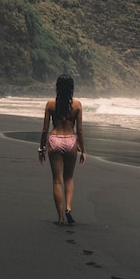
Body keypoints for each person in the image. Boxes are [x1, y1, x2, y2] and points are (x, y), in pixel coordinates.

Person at [38, 75, 86, 225]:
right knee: (69, 178)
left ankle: (59, 218)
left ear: (57, 87)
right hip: (71, 141)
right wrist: (83, 150)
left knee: (57, 181)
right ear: (72, 88)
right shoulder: (77, 105)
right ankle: (69, 208)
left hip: (55, 140)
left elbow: (45, 129)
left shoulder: (50, 105)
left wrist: (42, 148)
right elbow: (80, 131)